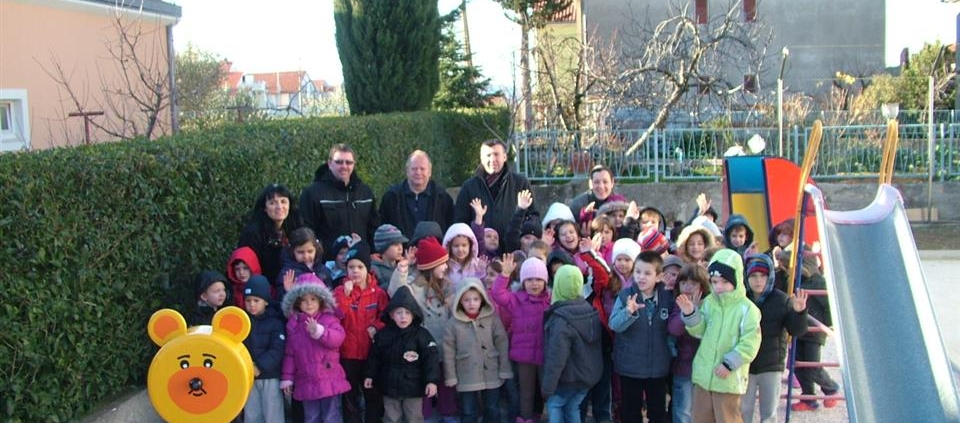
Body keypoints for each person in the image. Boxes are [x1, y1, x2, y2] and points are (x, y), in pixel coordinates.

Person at [677, 249, 761, 423]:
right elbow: (699, 332)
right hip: (704, 376)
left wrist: (729, 363)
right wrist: (691, 314)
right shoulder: (709, 302)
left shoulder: (747, 309)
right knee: (700, 418)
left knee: (728, 418)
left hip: (728, 379)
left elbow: (750, 342)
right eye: (714, 282)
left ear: (736, 279)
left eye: (725, 281)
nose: (719, 286)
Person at [388, 237, 458, 421]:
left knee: (446, 382)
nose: (446, 267)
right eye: (442, 263)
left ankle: (448, 414)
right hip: (423, 346)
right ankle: (424, 417)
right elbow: (397, 291)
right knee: (424, 383)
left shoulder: (448, 286)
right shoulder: (416, 287)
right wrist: (403, 268)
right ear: (431, 265)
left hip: (445, 344)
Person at [609, 251, 675, 423]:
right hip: (630, 366)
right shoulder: (626, 296)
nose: (641, 277)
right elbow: (614, 324)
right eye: (638, 272)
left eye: (647, 273)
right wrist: (628, 312)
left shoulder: (667, 297)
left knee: (657, 412)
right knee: (631, 412)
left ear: (658, 276)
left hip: (658, 367)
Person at [742, 254, 808, 423]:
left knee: (769, 412)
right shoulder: (741, 299)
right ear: (746, 277)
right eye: (754, 276)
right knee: (743, 410)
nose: (758, 280)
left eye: (763, 276)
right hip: (745, 363)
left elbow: (796, 330)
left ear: (770, 276)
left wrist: (799, 312)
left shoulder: (781, 300)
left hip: (771, 364)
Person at [364, 288, 441, 423]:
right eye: (399, 312)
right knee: (391, 418)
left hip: (413, 388)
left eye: (407, 312)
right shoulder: (383, 335)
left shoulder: (422, 335)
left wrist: (431, 381)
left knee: (414, 418)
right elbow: (374, 358)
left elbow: (431, 360)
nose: (403, 317)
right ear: (391, 315)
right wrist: (370, 375)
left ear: (414, 315)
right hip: (389, 387)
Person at [491, 255, 552, 423]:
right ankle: (525, 418)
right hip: (524, 357)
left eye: (538, 279)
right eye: (529, 279)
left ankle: (551, 417)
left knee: (547, 390)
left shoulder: (550, 300)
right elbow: (498, 294)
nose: (534, 283)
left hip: (545, 354)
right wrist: (504, 275)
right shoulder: (517, 299)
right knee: (526, 391)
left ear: (545, 281)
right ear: (523, 282)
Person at [280, 278, 351, 423]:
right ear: (297, 303)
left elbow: (338, 338)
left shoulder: (329, 319)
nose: (309, 304)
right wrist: (287, 378)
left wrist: (320, 332)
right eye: (304, 300)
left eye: (313, 299)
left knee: (331, 417)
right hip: (306, 380)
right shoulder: (293, 325)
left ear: (321, 300)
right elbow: (290, 355)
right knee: (311, 417)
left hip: (328, 378)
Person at [333, 241, 389, 423]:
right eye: (351, 267)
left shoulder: (378, 293)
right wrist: (346, 296)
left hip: (370, 353)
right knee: (350, 398)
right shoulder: (339, 291)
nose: (355, 271)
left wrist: (376, 327)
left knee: (373, 394)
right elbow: (336, 316)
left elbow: (386, 317)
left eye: (360, 267)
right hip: (347, 353)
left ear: (367, 269)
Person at [443, 279, 512, 423]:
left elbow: (502, 343)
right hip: (465, 373)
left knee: (492, 408)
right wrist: (451, 376)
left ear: (482, 300)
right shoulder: (452, 324)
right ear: (460, 301)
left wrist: (504, 368)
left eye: (475, 299)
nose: (471, 303)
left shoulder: (492, 319)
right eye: (466, 300)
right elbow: (448, 351)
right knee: (468, 411)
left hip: (491, 371)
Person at [541, 265, 603, 423]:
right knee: (573, 407)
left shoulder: (561, 319)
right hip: (587, 377)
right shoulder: (590, 310)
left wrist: (547, 388)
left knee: (555, 405)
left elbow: (556, 357)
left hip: (567, 379)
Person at [454, 139, 539, 248]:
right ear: (481, 159)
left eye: (496, 154)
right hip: (481, 253)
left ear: (505, 157)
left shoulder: (520, 183)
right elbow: (460, 223)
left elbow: (533, 216)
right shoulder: (469, 187)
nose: (492, 159)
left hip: (513, 250)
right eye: (488, 155)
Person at [784, 253, 840, 412]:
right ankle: (808, 397)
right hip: (799, 329)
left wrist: (828, 324)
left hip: (814, 332)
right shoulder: (794, 280)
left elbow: (829, 305)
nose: (791, 269)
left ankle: (831, 388)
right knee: (798, 366)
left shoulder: (818, 281)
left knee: (812, 365)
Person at [300, 143, 379, 247]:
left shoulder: (365, 193)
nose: (344, 166)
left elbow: (373, 227)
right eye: (339, 162)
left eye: (349, 162)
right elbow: (307, 231)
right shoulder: (312, 193)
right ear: (329, 163)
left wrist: (373, 251)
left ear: (354, 164)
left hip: (360, 256)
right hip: (327, 256)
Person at [667, 264, 710, 423]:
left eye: (693, 283)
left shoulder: (709, 305)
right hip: (684, 367)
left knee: (702, 410)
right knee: (683, 410)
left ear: (702, 286)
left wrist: (696, 310)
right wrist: (687, 312)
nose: (687, 287)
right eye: (683, 283)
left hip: (705, 367)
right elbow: (674, 329)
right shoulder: (677, 304)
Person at [241, 275, 286, 423]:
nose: (252, 305)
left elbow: (277, 349)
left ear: (266, 301)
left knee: (273, 414)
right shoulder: (243, 322)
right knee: (251, 415)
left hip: (270, 376)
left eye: (256, 300)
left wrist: (260, 366)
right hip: (248, 377)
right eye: (248, 301)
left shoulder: (275, 322)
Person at [379, 150, 455, 238]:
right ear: (407, 171)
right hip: (401, 247)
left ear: (430, 172)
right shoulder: (392, 197)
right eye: (414, 169)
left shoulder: (442, 198)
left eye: (422, 169)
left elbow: (451, 230)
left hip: (434, 246)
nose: (418, 172)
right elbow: (382, 229)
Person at [239, 183, 304, 284]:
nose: (279, 207)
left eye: (283, 201)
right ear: (265, 207)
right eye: (272, 203)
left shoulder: (296, 229)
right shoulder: (253, 234)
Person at [278, 228, 334, 298]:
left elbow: (330, 295)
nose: (306, 256)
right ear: (292, 251)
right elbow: (279, 298)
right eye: (300, 252)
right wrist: (287, 292)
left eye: (310, 251)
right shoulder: (288, 273)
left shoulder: (323, 270)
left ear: (316, 250)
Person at [442, 222, 487, 287]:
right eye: (456, 246)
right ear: (449, 247)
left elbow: (483, 287)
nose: (460, 249)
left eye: (464, 245)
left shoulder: (476, 264)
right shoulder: (445, 265)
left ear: (471, 246)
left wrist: (481, 272)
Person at [372, 224, 409, 291]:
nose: (400, 248)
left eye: (401, 243)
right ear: (384, 248)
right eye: (395, 244)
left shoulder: (403, 265)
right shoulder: (375, 270)